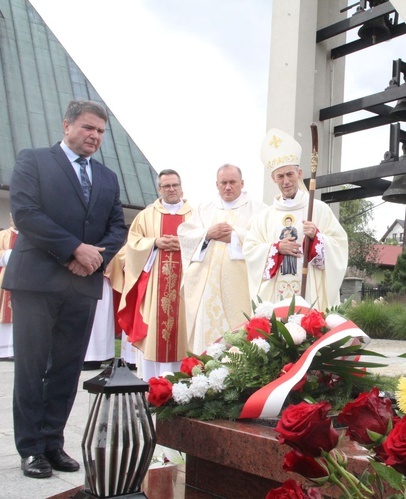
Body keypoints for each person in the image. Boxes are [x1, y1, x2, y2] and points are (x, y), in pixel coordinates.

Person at [3, 100, 127, 478]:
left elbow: (117, 228)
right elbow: (26, 213)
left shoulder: (106, 177)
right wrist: (74, 248)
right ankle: (30, 450)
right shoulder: (34, 160)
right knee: (31, 367)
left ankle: (53, 443)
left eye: (101, 132)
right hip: (37, 282)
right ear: (67, 125)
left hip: (81, 285)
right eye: (88, 128)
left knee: (66, 369)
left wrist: (93, 259)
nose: (95, 136)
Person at [243, 128, 348, 310]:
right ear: (273, 178)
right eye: (280, 176)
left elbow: (339, 246)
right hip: (276, 294)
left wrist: (317, 238)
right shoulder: (265, 217)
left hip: (309, 292)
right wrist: (276, 248)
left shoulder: (319, 209)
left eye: (290, 174)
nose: (286, 181)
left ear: (299, 173)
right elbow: (250, 251)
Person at [178, 164, 265, 354]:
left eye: (232, 182)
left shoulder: (259, 210)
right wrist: (207, 234)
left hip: (241, 286)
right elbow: (184, 235)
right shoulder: (204, 209)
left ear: (242, 183)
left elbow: (265, 242)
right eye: (223, 183)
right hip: (207, 287)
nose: (228, 187)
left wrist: (235, 237)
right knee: (207, 334)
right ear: (216, 184)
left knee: (240, 330)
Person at [118, 169, 193, 380]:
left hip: (184, 288)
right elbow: (132, 245)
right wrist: (154, 243)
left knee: (182, 333)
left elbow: (205, 244)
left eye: (175, 185)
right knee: (155, 334)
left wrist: (184, 243)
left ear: (181, 187)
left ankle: (181, 385)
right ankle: (152, 385)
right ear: (159, 189)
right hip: (155, 288)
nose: (171, 189)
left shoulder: (194, 215)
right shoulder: (146, 215)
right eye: (166, 186)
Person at [0, 216, 18, 360]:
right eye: (11, 217)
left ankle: (15, 351)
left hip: (24, 280)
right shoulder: (3, 234)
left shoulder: (29, 236)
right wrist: (9, 254)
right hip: (5, 278)